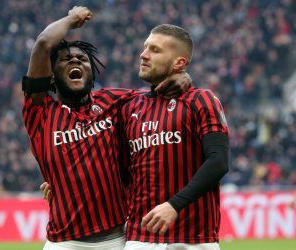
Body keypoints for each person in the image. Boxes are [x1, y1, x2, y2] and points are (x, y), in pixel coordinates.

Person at [23, 6, 191, 250]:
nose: (75, 61)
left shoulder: (113, 101)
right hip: (64, 243)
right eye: (66, 60)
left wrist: (183, 78)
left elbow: (160, 91)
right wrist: (71, 19)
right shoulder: (40, 112)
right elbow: (42, 45)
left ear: (92, 74)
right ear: (51, 76)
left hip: (118, 239)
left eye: (82, 59)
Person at [120, 24, 229, 250]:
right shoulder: (129, 107)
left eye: (155, 50)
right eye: (145, 47)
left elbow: (218, 161)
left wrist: (174, 205)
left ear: (179, 63)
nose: (144, 54)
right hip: (139, 240)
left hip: (193, 240)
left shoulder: (201, 100)